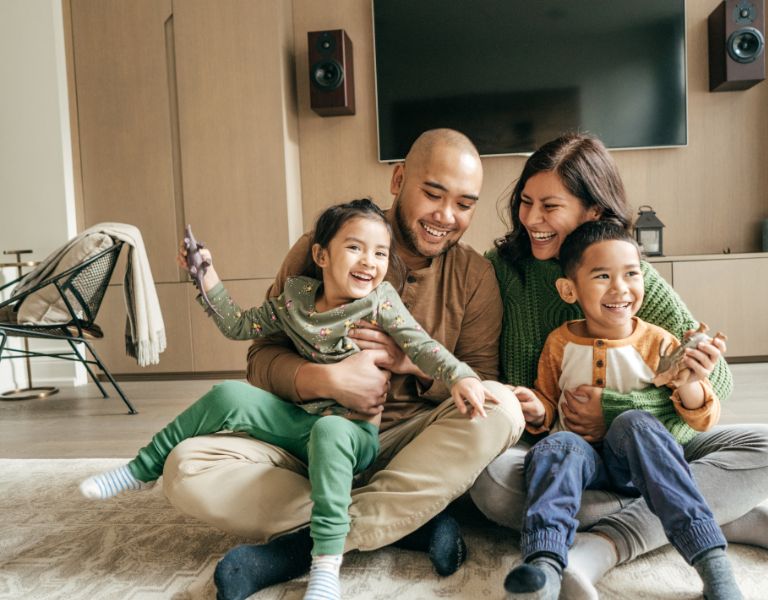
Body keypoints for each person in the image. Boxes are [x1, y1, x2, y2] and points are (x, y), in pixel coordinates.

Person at [159, 129, 525, 600]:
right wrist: (324, 379)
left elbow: (479, 379)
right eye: (433, 194)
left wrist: (409, 363)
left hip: (408, 446)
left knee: (500, 409)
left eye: (464, 204)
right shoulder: (325, 245)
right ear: (398, 179)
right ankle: (407, 523)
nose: (446, 216)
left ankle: (299, 548)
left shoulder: (475, 276)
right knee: (185, 469)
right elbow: (260, 356)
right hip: (309, 438)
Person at [79, 199, 492, 600]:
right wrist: (205, 277)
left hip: (353, 436)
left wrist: (460, 376)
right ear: (321, 255)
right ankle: (140, 469)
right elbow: (241, 326)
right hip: (298, 424)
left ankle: (326, 565)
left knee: (332, 429)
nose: (369, 261)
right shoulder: (295, 300)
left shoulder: (381, 301)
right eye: (355, 247)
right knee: (227, 393)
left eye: (380, 253)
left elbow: (420, 346)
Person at [469, 132, 768, 599]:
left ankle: (601, 547)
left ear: (594, 212)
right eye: (525, 202)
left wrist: (615, 407)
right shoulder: (503, 268)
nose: (531, 220)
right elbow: (530, 402)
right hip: (562, 452)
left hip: (647, 445)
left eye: (550, 207)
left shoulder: (630, 276)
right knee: (492, 487)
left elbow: (717, 384)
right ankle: (719, 512)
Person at [502, 221, 741, 600]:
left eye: (631, 274)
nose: (620, 288)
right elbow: (548, 401)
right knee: (558, 444)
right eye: (602, 276)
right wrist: (536, 409)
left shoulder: (658, 342)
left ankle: (712, 562)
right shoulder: (559, 342)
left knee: (635, 423)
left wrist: (691, 381)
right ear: (569, 289)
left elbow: (702, 418)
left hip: (639, 466)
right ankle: (543, 567)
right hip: (579, 467)